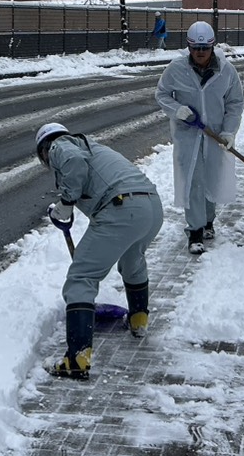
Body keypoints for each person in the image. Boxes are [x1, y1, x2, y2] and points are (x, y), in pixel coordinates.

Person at [35, 122, 164, 381]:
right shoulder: (91, 146)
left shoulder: (60, 145)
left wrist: (67, 201)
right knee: (132, 260)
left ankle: (77, 359)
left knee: (81, 277)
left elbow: (73, 163)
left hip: (122, 206)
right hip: (150, 206)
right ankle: (138, 321)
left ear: (43, 150)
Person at [155, 20, 244, 255]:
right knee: (193, 181)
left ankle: (208, 221)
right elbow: (162, 93)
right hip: (188, 135)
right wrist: (177, 110)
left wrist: (228, 131)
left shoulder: (226, 71)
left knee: (211, 178)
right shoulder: (176, 68)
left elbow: (235, 103)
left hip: (215, 134)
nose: (201, 53)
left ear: (213, 46)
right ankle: (194, 231)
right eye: (196, 48)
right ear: (189, 46)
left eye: (205, 49)